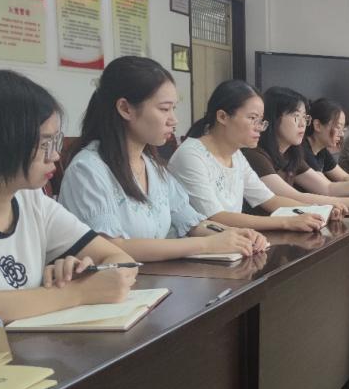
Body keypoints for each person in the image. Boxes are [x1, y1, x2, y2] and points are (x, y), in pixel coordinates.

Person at [59, 57, 267, 261]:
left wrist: (236, 234)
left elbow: (192, 223)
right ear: (125, 108)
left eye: (173, 109)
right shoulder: (87, 169)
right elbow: (110, 247)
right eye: (164, 109)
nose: (173, 120)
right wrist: (207, 244)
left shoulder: (151, 165)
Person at [0, 70, 137, 322]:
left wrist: (84, 272)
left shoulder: (32, 201)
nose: (55, 155)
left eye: (56, 142)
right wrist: (78, 292)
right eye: (44, 144)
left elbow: (122, 262)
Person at [167, 80, 327, 233]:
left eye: (261, 120)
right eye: (252, 118)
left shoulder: (236, 155)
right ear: (222, 117)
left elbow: (269, 200)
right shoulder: (191, 155)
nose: (259, 127)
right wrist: (287, 222)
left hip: (229, 243)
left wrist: (318, 212)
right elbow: (216, 217)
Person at [242, 87, 349, 214]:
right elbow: (294, 197)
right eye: (296, 116)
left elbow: (328, 188)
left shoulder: (291, 154)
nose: (303, 124)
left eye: (305, 117)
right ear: (274, 118)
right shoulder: (255, 155)